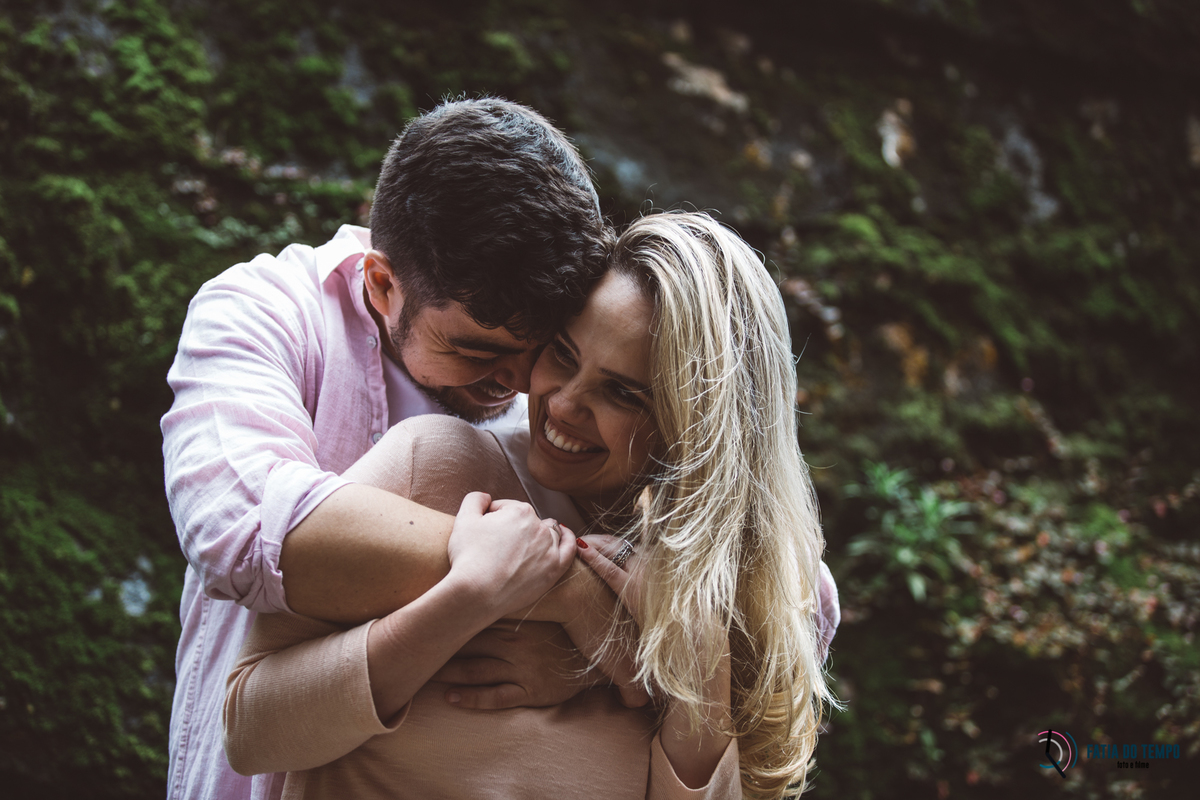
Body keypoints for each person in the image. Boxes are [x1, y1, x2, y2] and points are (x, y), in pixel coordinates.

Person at [223, 212, 840, 799]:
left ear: (699, 430)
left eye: (623, 394)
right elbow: (249, 730)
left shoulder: (742, 591)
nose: (564, 405)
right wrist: (468, 601)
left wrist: (689, 683)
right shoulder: (438, 465)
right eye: (565, 355)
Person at [161, 97, 622, 800]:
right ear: (381, 283)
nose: (526, 383)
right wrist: (575, 595)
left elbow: (796, 600)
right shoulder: (262, 313)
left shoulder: (576, 378)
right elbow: (246, 533)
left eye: (545, 349)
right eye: (476, 350)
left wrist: (587, 661)